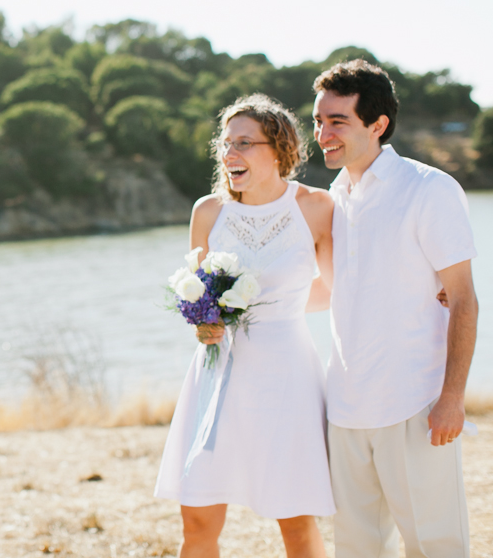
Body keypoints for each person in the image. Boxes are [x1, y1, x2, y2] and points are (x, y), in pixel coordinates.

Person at [155, 94, 335, 557]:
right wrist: (203, 323)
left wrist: (280, 309)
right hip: (218, 374)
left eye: (244, 143)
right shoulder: (208, 212)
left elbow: (335, 291)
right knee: (197, 519)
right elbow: (197, 296)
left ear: (278, 149)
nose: (229, 153)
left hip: (287, 374)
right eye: (226, 142)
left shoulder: (317, 208)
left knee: (295, 521)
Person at [313, 59, 478, 557]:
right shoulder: (332, 200)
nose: (323, 134)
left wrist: (451, 398)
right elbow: (331, 291)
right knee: (357, 547)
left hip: (415, 404)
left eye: (337, 121)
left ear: (377, 125)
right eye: (319, 121)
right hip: (344, 407)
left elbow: (464, 299)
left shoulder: (429, 190)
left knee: (435, 545)